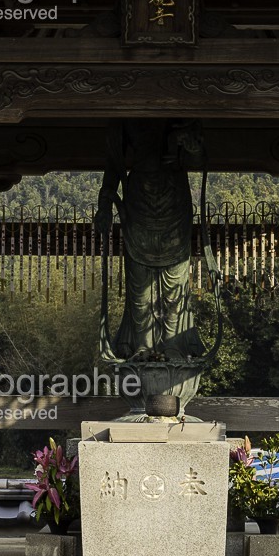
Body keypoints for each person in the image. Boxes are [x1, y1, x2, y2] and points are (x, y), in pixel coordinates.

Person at [94, 119, 205, 383]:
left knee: (175, 284)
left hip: (174, 197)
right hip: (138, 199)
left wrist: (189, 142)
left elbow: (201, 159)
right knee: (139, 284)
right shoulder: (126, 118)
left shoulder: (186, 113)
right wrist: (104, 203)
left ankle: (173, 344)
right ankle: (142, 345)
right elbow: (113, 166)